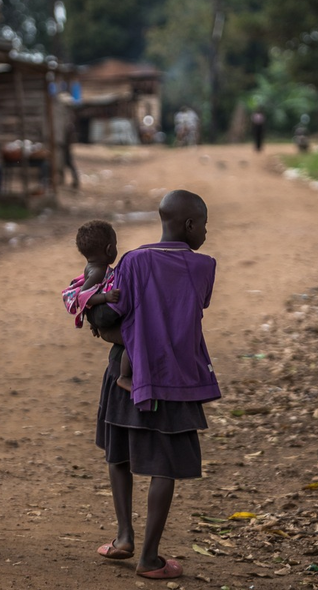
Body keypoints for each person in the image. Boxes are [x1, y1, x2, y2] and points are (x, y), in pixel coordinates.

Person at [88, 190, 221, 579]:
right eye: (206, 226)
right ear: (191, 225)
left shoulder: (132, 260)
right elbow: (193, 305)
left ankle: (123, 536)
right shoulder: (204, 266)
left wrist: (103, 320)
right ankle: (149, 557)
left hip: (127, 373)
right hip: (176, 379)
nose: (207, 234)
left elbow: (107, 316)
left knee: (120, 454)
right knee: (165, 467)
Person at [62, 220, 132, 390]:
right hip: (101, 309)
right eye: (115, 245)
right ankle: (124, 377)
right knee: (134, 340)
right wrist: (106, 297)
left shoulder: (96, 267)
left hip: (98, 314)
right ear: (109, 249)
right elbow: (83, 297)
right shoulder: (97, 271)